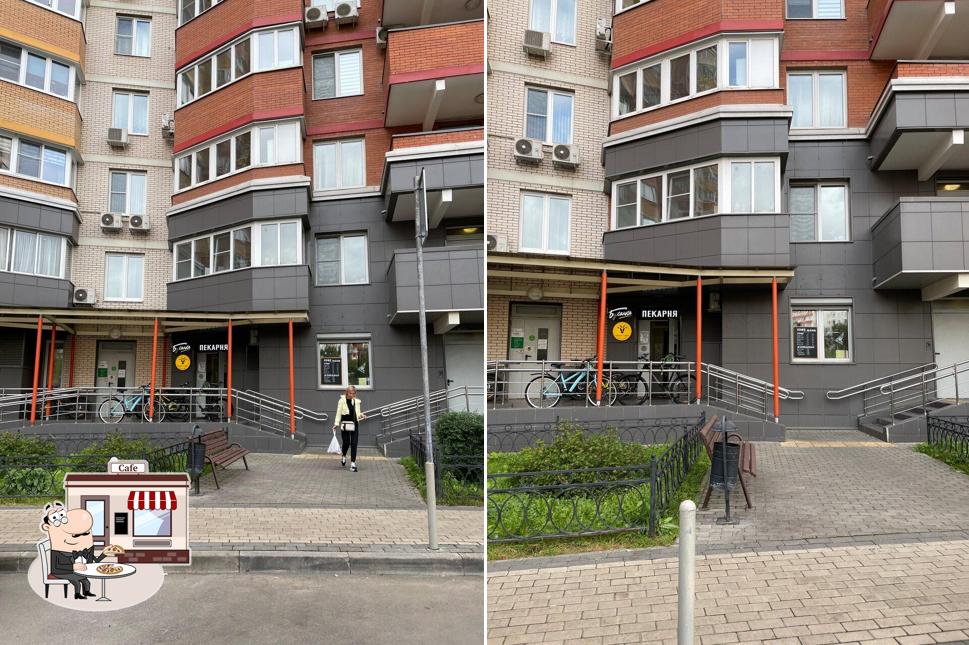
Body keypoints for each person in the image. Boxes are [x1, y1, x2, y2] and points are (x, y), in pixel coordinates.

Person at [40, 502, 119, 600]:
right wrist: (72, 567)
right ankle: (77, 595)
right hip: (61, 572)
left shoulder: (85, 550)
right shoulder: (58, 552)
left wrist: (104, 554)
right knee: (76, 581)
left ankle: (87, 592)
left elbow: (94, 562)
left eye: (86, 533)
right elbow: (56, 567)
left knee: (86, 581)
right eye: (75, 535)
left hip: (75, 570)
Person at [332, 386, 367, 472]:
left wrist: (362, 415)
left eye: (353, 393)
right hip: (345, 425)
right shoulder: (341, 401)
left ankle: (353, 464)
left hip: (354, 425)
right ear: (347, 392)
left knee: (354, 443)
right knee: (346, 443)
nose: (352, 395)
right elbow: (338, 413)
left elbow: (357, 413)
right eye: (350, 393)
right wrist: (336, 424)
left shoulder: (356, 401)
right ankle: (343, 455)